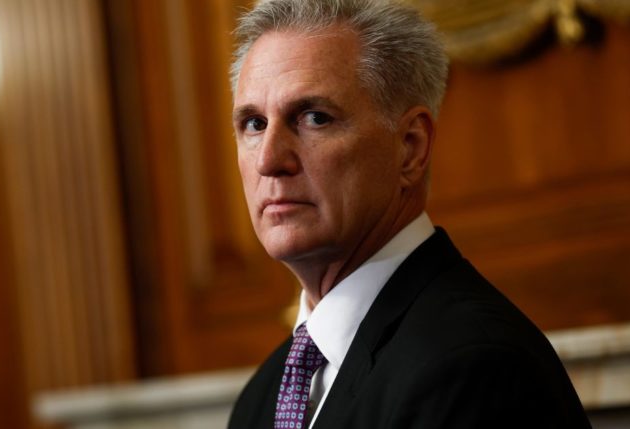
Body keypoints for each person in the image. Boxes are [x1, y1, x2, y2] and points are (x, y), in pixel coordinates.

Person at [227, 0, 591, 428]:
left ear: (411, 147)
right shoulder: (260, 401)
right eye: (253, 124)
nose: (269, 159)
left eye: (313, 118)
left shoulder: (473, 367)